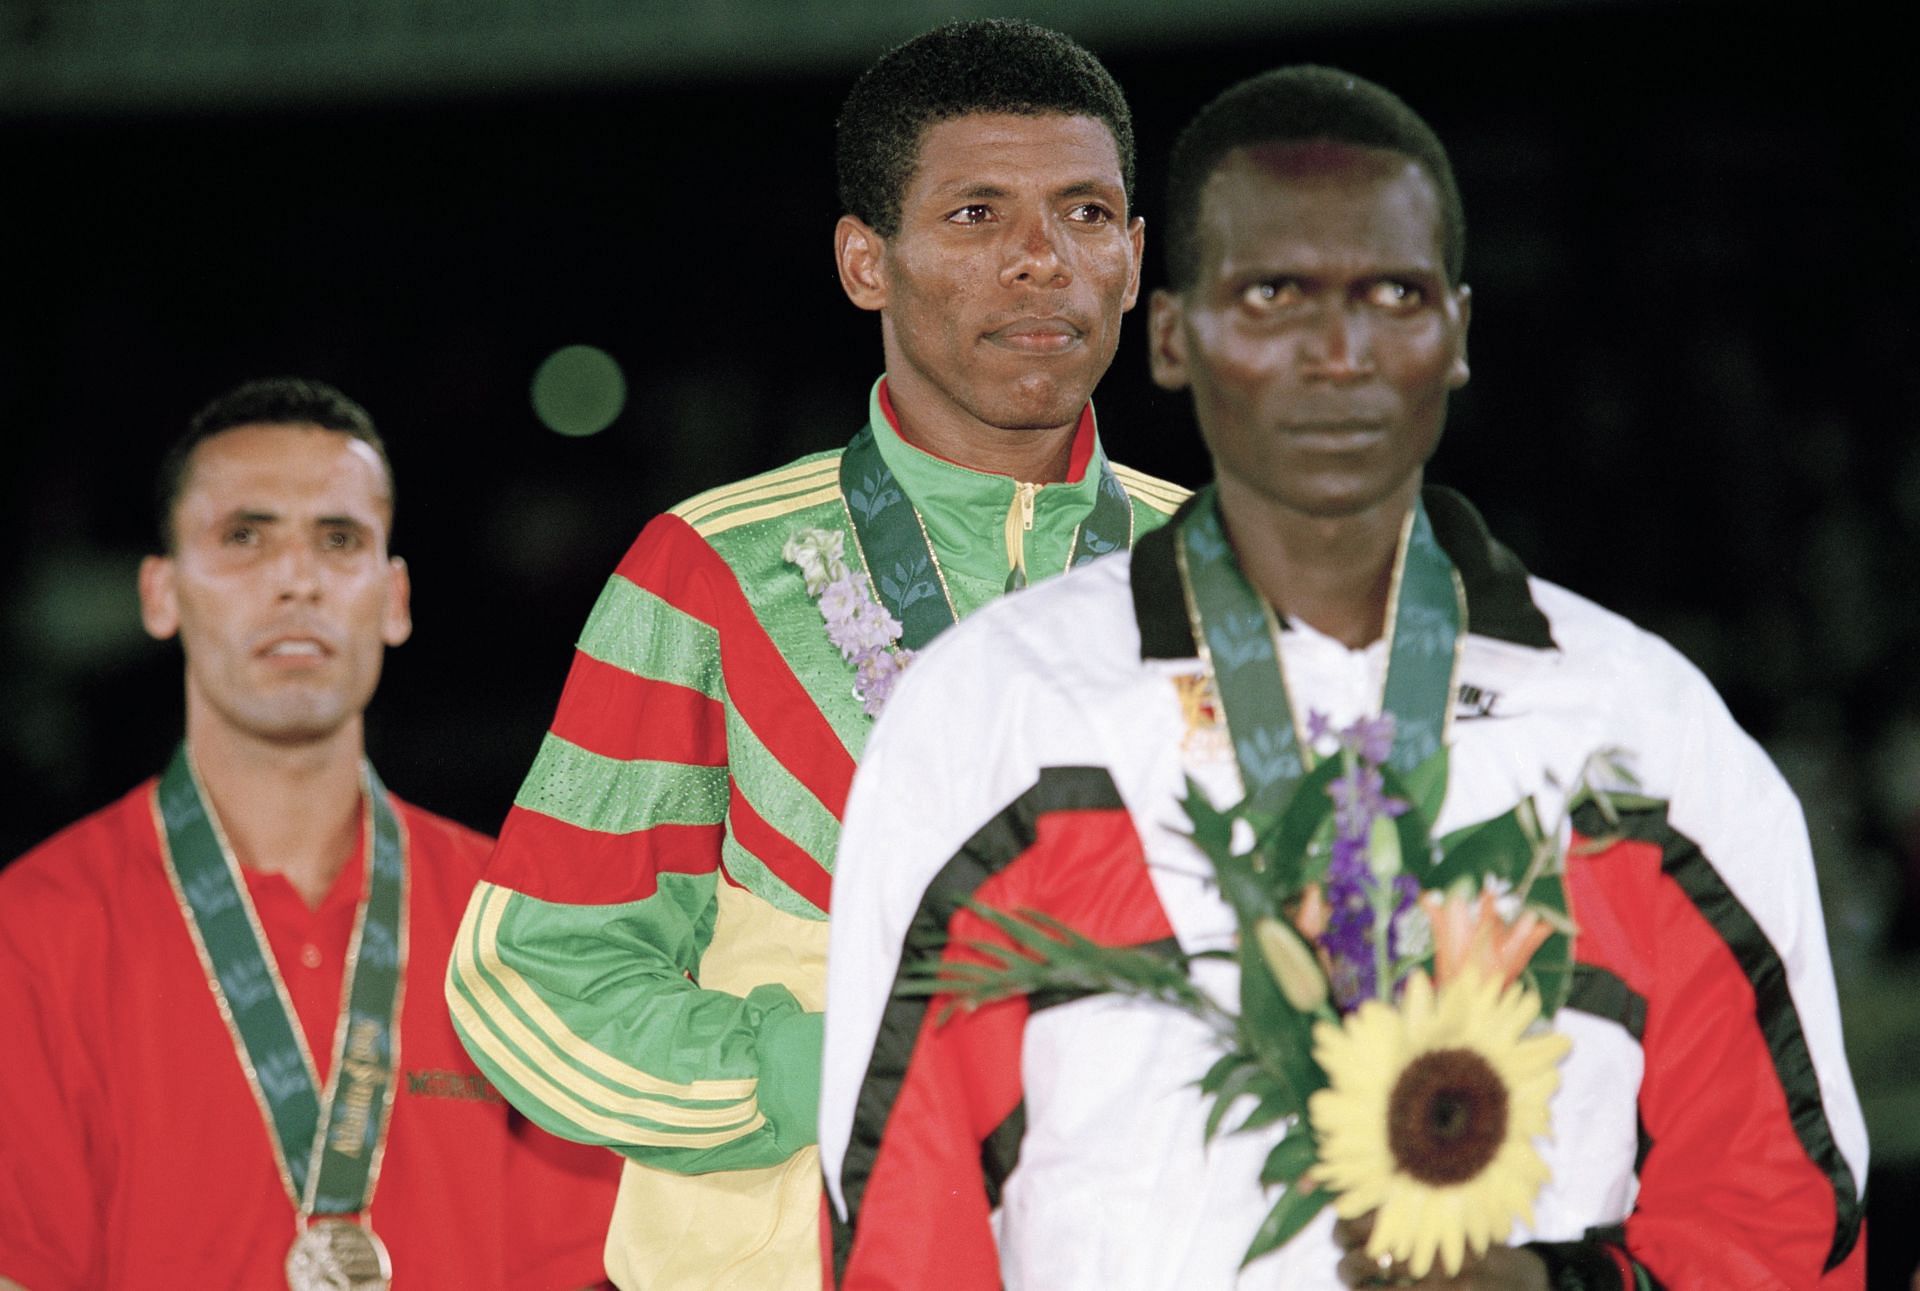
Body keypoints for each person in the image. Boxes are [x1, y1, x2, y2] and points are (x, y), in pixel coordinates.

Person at [819, 66, 1869, 1290]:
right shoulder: (997, 713)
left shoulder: (1641, 731)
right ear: (1171, 332)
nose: (1338, 352)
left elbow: (1786, 1233)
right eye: (1272, 293)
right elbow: (902, 1237)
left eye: (1393, 295)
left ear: (1457, 335)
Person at [442, 18, 1187, 1291]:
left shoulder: (1225, 576)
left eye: (1085, 214)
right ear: (865, 263)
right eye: (973, 216)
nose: (1039, 261)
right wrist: (808, 1069)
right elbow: (531, 969)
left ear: (1130, 257)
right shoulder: (710, 566)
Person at [0, 378, 620, 1291]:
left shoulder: (522, 918)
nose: (296, 578)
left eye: (339, 540)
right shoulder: (36, 924)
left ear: (395, 596)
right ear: (160, 593)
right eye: (244, 537)